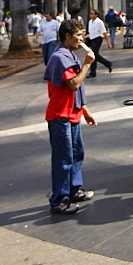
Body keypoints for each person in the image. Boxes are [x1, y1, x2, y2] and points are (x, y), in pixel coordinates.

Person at [44, 18, 97, 215]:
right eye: (78, 36)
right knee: (63, 159)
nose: (81, 39)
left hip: (72, 114)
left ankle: (74, 189)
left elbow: (78, 91)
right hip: (60, 116)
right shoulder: (59, 57)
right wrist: (87, 65)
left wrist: (85, 110)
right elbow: (74, 84)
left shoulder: (70, 55)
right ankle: (59, 199)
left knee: (77, 153)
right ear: (67, 36)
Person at [86, 10, 112, 77]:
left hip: (97, 39)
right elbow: (90, 32)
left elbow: (104, 33)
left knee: (93, 55)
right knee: (95, 55)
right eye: (90, 13)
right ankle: (108, 63)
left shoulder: (99, 22)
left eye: (92, 14)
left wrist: (108, 43)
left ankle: (93, 72)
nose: (90, 15)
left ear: (96, 15)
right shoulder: (90, 22)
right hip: (92, 39)